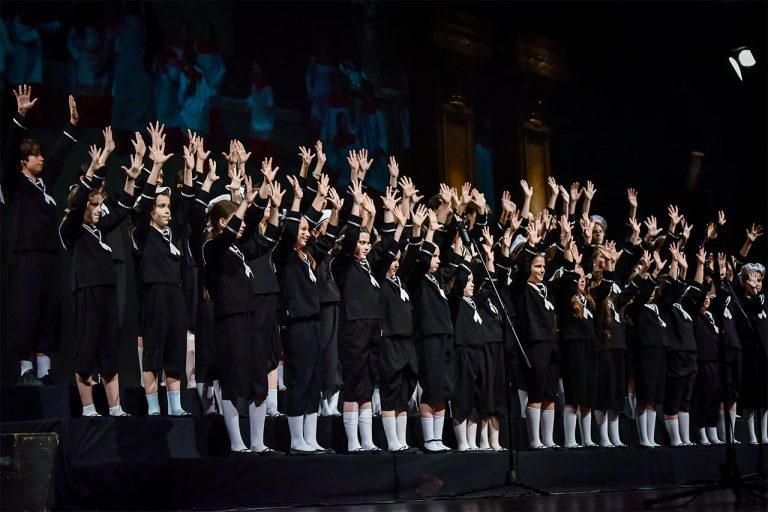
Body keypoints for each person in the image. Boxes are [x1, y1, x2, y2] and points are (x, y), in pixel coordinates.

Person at [202, 167, 283, 455]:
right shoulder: (211, 248)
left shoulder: (239, 250)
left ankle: (258, 442)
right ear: (222, 222)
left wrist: (272, 206)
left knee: (258, 379)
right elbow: (231, 232)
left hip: (250, 318)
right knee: (233, 381)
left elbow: (267, 240)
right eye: (234, 220)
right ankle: (237, 444)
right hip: (229, 321)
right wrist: (246, 202)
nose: (241, 227)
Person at [3, 86, 80, 385]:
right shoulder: (14, 183)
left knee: (49, 311)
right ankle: (25, 370)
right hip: (25, 256)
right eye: (35, 155)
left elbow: (59, 156)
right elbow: (11, 150)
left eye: (40, 154)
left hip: (48, 256)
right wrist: (20, 117)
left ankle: (45, 370)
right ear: (24, 161)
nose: (41, 159)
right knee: (26, 310)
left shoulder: (43, 184)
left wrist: (72, 126)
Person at [59, 143, 138, 417]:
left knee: (109, 349)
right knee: (86, 348)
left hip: (107, 293)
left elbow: (123, 209)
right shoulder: (71, 230)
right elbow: (78, 202)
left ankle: (115, 407)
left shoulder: (99, 229)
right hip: (87, 292)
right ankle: (89, 408)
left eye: (99, 204)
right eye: (93, 205)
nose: (98, 209)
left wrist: (131, 179)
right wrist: (96, 166)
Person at [272, 172, 337, 455]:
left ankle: (310, 439)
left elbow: (327, 239)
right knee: (299, 380)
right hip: (296, 324)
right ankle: (296, 439)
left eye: (308, 229)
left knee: (313, 381)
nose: (306, 233)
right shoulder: (284, 255)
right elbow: (289, 232)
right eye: (302, 229)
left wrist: (330, 205)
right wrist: (299, 199)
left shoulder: (307, 257)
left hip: (313, 323)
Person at [131, 131, 192, 417]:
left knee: (175, 351)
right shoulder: (143, 234)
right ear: (151, 211)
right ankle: (154, 406)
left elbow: (186, 202)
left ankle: (176, 405)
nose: (167, 211)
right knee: (154, 353)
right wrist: (155, 165)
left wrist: (190, 168)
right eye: (162, 207)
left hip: (175, 294)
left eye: (168, 206)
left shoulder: (172, 233)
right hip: (154, 295)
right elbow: (143, 201)